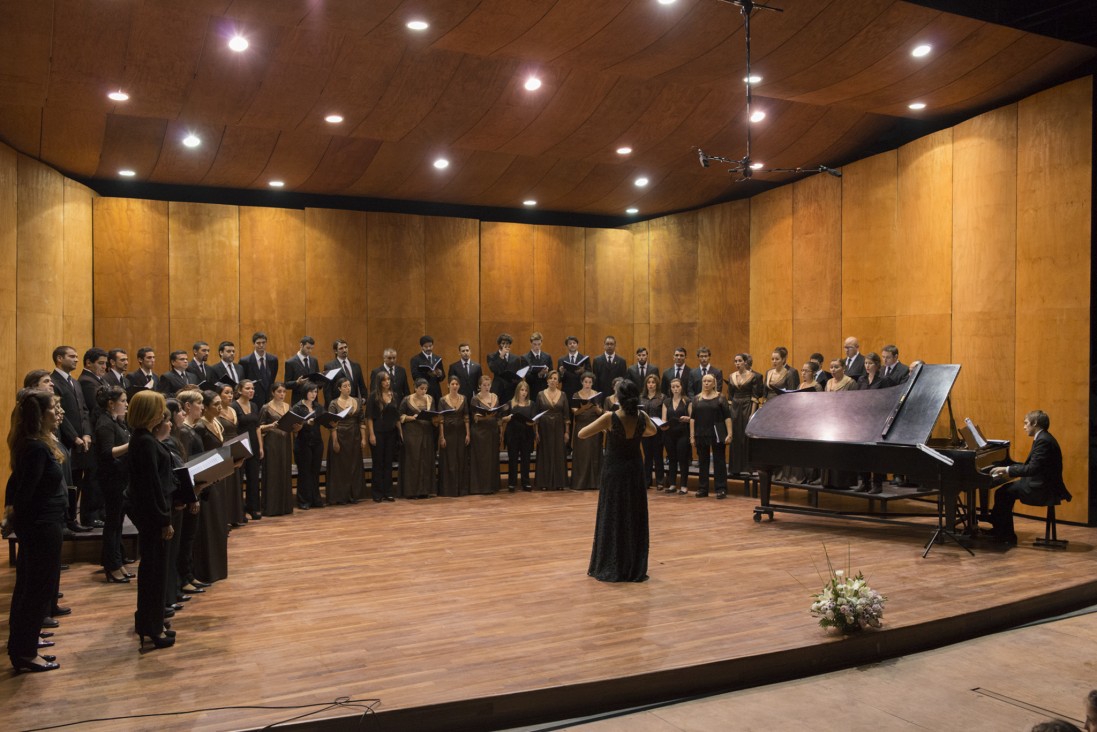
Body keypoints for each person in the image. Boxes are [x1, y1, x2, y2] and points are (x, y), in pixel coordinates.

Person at [5, 390, 67, 672]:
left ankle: (23, 648)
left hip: (42, 526)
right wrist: (19, 523)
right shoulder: (36, 448)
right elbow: (25, 494)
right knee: (35, 591)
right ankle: (25, 654)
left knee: (32, 589)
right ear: (41, 415)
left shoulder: (34, 444)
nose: (58, 412)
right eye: (53, 408)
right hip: (41, 528)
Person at [581, 378, 656, 583]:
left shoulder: (610, 417)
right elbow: (653, 431)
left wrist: (606, 429)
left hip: (614, 472)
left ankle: (612, 563)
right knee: (633, 515)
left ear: (619, 398)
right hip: (634, 470)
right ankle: (633, 565)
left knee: (613, 515)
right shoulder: (642, 416)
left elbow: (582, 434)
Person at [125, 390, 176, 649]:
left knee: (153, 571)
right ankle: (152, 627)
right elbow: (152, 486)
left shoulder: (143, 437)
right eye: (159, 408)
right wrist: (164, 519)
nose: (162, 413)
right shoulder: (144, 441)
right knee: (155, 573)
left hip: (152, 514)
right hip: (154, 516)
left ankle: (149, 622)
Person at [988, 410, 1071, 545]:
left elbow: (1033, 469)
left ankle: (1005, 535)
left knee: (1003, 493)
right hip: (1044, 482)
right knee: (1004, 491)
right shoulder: (1044, 437)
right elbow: (1036, 465)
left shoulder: (1043, 440)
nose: (1024, 426)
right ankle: (1000, 529)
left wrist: (1007, 469)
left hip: (1042, 488)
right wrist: (1013, 466)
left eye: (1026, 423)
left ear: (1035, 423)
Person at [51, 345, 93, 533]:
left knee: (77, 480)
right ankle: (66, 520)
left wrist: (86, 434)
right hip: (67, 441)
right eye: (72, 356)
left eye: (77, 356)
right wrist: (74, 437)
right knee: (68, 481)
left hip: (80, 440)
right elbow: (61, 415)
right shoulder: (53, 382)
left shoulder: (75, 382)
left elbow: (84, 410)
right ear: (59, 359)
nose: (76, 359)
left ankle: (71, 519)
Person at [94, 385, 131, 584]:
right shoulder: (104, 423)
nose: (126, 404)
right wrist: (132, 445)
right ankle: (112, 565)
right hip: (111, 480)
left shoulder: (117, 421)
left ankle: (118, 561)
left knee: (117, 524)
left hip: (120, 478)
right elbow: (107, 453)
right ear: (111, 403)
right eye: (123, 400)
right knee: (113, 524)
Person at [193, 390, 229, 582]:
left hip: (219, 475)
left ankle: (218, 567)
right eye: (215, 404)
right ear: (204, 407)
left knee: (218, 522)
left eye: (219, 403)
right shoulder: (199, 427)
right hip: (207, 479)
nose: (219, 407)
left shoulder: (216, 422)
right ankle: (206, 569)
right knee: (208, 524)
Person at [690, 373, 732, 499]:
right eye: (704, 381)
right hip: (701, 433)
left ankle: (721, 488)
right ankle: (703, 488)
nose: (706, 383)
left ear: (714, 383)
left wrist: (730, 433)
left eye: (709, 381)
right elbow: (692, 418)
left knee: (719, 461)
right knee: (703, 461)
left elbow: (727, 417)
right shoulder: (696, 398)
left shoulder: (720, 398)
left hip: (717, 432)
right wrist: (692, 436)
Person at [326, 375, 367, 504]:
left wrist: (363, 438)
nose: (348, 388)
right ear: (339, 388)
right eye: (345, 386)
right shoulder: (333, 403)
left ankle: (354, 494)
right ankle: (341, 496)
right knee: (340, 467)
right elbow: (331, 424)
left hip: (354, 436)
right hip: (340, 435)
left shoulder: (357, 401)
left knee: (354, 465)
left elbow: (361, 421)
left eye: (349, 385)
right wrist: (335, 441)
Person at [257, 382, 296, 516]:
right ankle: (271, 507)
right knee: (272, 473)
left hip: (285, 441)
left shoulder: (287, 407)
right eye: (279, 391)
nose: (282, 394)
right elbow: (259, 428)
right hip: (271, 442)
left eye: (284, 392)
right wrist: (270, 426)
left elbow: (291, 424)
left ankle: (285, 506)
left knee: (284, 471)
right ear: (273, 392)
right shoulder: (266, 407)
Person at [398, 378, 437, 498]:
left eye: (425, 389)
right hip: (412, 433)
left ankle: (425, 490)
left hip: (426, 432)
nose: (424, 391)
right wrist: (411, 417)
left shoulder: (430, 399)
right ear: (415, 388)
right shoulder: (407, 399)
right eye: (421, 389)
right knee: (414, 461)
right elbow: (399, 416)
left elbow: (433, 414)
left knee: (426, 460)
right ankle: (412, 491)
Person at [727, 353, 763, 479]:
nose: (737, 363)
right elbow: (730, 397)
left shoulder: (753, 376)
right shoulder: (731, 376)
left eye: (739, 361)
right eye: (735, 361)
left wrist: (752, 414)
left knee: (745, 436)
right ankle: (735, 467)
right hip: (735, 407)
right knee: (736, 435)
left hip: (747, 405)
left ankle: (748, 467)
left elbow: (755, 396)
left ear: (745, 362)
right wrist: (730, 412)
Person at [232, 379, 263, 519]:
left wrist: (261, 446)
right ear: (239, 390)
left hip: (254, 445)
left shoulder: (255, 406)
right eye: (248, 388)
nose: (251, 391)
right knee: (239, 479)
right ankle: (239, 510)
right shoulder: (234, 406)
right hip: (240, 446)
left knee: (254, 478)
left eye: (253, 388)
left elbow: (257, 427)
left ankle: (253, 507)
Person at [367, 371, 400, 502]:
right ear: (379, 382)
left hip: (391, 433)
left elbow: (397, 417)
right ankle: (377, 493)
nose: (387, 382)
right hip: (378, 432)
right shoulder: (373, 396)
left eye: (388, 379)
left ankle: (388, 492)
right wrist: (371, 434)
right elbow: (369, 417)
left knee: (388, 463)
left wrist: (400, 434)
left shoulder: (395, 395)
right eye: (384, 380)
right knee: (378, 463)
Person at [291, 381, 324, 509]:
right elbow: (294, 428)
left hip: (317, 442)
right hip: (303, 442)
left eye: (315, 392)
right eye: (311, 391)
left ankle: (316, 499)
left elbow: (324, 419)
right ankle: (304, 500)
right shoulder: (297, 407)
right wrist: (305, 424)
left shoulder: (318, 407)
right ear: (305, 391)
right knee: (304, 472)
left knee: (315, 471)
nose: (313, 394)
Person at [217, 382, 246, 525]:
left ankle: (235, 516)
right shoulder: (216, 412)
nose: (230, 395)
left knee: (235, 482)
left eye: (231, 393)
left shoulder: (233, 410)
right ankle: (225, 518)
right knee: (226, 483)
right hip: (223, 446)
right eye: (226, 393)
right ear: (219, 395)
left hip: (234, 445)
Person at [535, 371, 570, 490]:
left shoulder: (563, 394)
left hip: (559, 427)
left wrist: (567, 432)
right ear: (547, 380)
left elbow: (566, 416)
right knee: (545, 453)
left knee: (559, 453)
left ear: (558, 382)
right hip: (544, 427)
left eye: (555, 378)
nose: (553, 380)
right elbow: (536, 416)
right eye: (551, 378)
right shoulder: (540, 394)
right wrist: (536, 431)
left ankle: (559, 483)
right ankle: (544, 483)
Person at [436, 375, 470, 497]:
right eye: (452, 384)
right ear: (448, 385)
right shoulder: (442, 400)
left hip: (461, 432)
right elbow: (440, 419)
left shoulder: (464, 398)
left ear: (459, 386)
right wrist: (442, 436)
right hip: (448, 433)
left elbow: (466, 417)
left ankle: (461, 489)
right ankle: (448, 489)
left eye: (456, 384)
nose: (454, 386)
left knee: (461, 458)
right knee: (449, 460)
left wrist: (468, 434)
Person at [469, 375, 502, 494]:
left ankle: (492, 486)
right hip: (480, 432)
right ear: (479, 386)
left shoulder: (495, 397)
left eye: (488, 385)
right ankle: (481, 487)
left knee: (492, 458)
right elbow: (475, 417)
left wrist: (500, 428)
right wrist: (485, 417)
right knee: (482, 459)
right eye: (484, 385)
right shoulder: (475, 399)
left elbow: (498, 415)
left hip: (492, 431)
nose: (486, 387)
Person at [570, 372, 604, 490]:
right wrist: (583, 408)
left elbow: (601, 413)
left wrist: (596, 408)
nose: (587, 384)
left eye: (590, 382)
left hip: (594, 425)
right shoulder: (576, 394)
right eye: (585, 382)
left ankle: (594, 483)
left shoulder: (596, 395)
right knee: (582, 454)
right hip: (581, 426)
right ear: (582, 382)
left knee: (594, 453)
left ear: (592, 383)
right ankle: (580, 483)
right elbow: (574, 412)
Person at [502, 380, 535, 492]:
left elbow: (534, 419)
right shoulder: (510, 403)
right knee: (513, 459)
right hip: (513, 434)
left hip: (526, 434)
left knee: (526, 459)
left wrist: (532, 422)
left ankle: (526, 482)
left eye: (526, 390)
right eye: (522, 390)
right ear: (517, 391)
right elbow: (503, 418)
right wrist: (509, 417)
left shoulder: (531, 404)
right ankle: (512, 483)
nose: (524, 392)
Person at [661, 378, 691, 495]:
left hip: (682, 433)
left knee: (683, 459)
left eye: (677, 386)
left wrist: (687, 419)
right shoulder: (667, 402)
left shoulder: (687, 401)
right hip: (669, 433)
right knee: (672, 459)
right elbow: (664, 418)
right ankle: (672, 484)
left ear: (681, 387)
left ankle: (684, 485)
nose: (675, 389)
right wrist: (663, 425)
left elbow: (692, 418)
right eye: (673, 387)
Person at [638, 373, 665, 489]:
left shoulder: (662, 397)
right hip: (645, 431)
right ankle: (646, 480)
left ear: (657, 384)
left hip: (657, 430)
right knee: (647, 456)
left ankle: (660, 481)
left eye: (653, 382)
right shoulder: (641, 398)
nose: (651, 385)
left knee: (658, 456)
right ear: (646, 384)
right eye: (649, 383)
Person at [239, 331, 279, 407]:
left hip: (268, 399)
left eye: (263, 343)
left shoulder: (273, 360)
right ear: (254, 344)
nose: (261, 345)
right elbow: (243, 382)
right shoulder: (245, 361)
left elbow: (272, 379)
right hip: (252, 399)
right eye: (258, 343)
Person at [488, 333, 523, 404]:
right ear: (499, 344)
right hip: (498, 388)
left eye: (507, 343)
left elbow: (518, 375)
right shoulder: (492, 356)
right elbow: (493, 369)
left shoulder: (516, 358)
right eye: (503, 343)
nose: (505, 345)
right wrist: (501, 356)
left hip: (511, 389)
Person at [410, 335, 445, 403]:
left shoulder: (437, 358)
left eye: (430, 346)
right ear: (421, 347)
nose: (428, 348)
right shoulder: (415, 359)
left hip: (436, 392)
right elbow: (415, 376)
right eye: (426, 346)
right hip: (422, 392)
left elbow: (443, 376)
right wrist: (428, 374)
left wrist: (440, 374)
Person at [283, 336, 318, 403]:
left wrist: (322, 379)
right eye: (308, 348)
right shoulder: (290, 362)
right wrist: (297, 382)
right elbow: (286, 384)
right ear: (301, 345)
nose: (310, 351)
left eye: (312, 348)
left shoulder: (314, 361)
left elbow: (316, 378)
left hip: (313, 400)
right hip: (299, 400)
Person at [522, 332, 553, 402]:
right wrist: (539, 374)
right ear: (531, 343)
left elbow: (551, 373)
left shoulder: (547, 356)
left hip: (545, 389)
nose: (537, 347)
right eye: (534, 344)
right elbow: (527, 376)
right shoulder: (525, 358)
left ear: (541, 343)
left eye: (539, 344)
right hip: (532, 389)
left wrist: (546, 373)